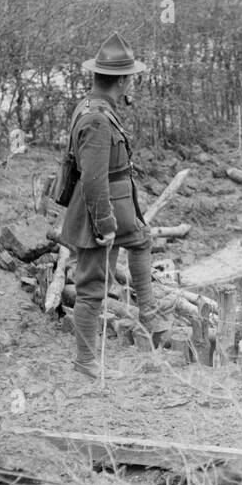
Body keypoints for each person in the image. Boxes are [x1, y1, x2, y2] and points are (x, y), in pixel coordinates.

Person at [58, 32, 170, 377]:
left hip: (116, 200)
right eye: (129, 79)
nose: (130, 85)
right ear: (121, 81)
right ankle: (86, 360)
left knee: (140, 239)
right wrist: (104, 224)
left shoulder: (96, 108)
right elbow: (93, 179)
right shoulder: (96, 118)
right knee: (92, 288)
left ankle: (148, 312)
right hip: (99, 206)